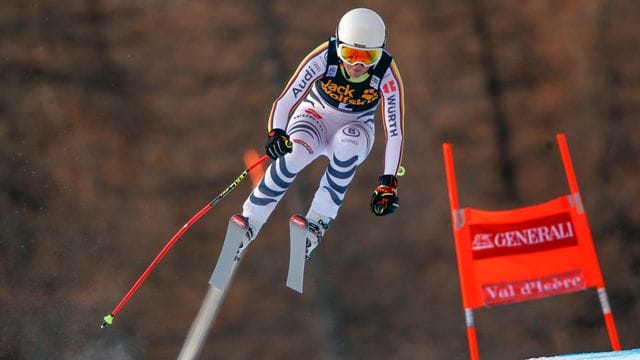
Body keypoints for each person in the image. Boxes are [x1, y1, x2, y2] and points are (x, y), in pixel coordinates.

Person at [234, 7, 405, 260]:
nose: (357, 65)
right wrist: (276, 132)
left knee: (348, 146)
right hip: (316, 116)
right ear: (338, 46)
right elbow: (286, 100)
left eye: (368, 57)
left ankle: (317, 224)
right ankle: (251, 219)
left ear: (379, 53)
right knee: (294, 154)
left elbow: (395, 132)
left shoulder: (387, 74)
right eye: (349, 53)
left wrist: (388, 183)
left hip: (356, 126)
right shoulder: (324, 57)